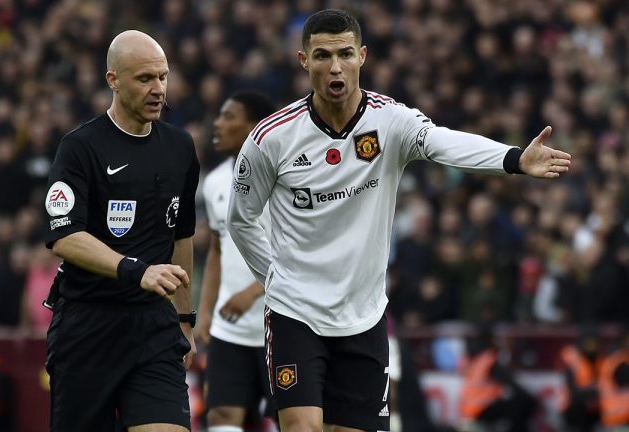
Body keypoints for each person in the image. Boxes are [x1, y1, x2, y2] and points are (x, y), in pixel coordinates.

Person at [226, 9, 571, 432]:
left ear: (363, 56)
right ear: (303, 61)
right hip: (295, 313)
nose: (335, 66)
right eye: (322, 56)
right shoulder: (271, 139)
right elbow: (241, 220)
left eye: (345, 54)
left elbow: (446, 142)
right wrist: (275, 277)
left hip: (364, 315)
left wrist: (514, 158)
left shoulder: (390, 122)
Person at [43, 30, 199, 432]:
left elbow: (181, 236)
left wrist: (184, 319)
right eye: (145, 79)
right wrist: (136, 269)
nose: (158, 89)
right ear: (113, 80)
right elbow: (65, 236)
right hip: (88, 327)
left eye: (163, 77)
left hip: (154, 327)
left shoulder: (181, 147)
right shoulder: (80, 147)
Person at [196, 91, 277, 432]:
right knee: (222, 416)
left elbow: (299, 251)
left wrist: (253, 291)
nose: (218, 123)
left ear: (254, 126)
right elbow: (216, 250)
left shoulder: (282, 177)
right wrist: (204, 313)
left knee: (293, 419)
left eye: (229, 117)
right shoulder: (213, 182)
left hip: (281, 324)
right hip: (229, 329)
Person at [558, 328, 601, 431]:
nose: (592, 346)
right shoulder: (572, 357)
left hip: (592, 410)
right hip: (573, 409)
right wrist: (594, 390)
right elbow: (572, 390)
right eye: (589, 343)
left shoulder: (597, 357)